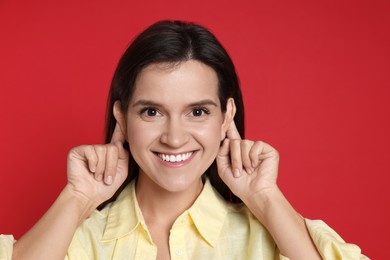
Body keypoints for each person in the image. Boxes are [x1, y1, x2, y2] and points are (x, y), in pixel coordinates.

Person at [0, 20, 368, 260]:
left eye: (197, 112)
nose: (175, 139)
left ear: (227, 117)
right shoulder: (78, 240)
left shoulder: (269, 239)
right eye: (151, 112)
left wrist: (266, 198)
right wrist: (77, 198)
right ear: (121, 120)